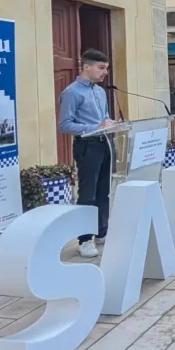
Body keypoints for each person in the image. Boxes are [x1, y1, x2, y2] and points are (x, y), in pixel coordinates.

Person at [57, 49, 117, 259]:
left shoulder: (100, 92)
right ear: (86, 67)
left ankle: (102, 231)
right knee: (88, 193)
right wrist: (95, 126)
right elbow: (65, 125)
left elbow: (105, 119)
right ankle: (84, 239)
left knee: (104, 191)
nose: (105, 73)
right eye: (101, 68)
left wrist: (112, 125)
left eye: (106, 68)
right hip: (87, 146)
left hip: (105, 143)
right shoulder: (72, 92)